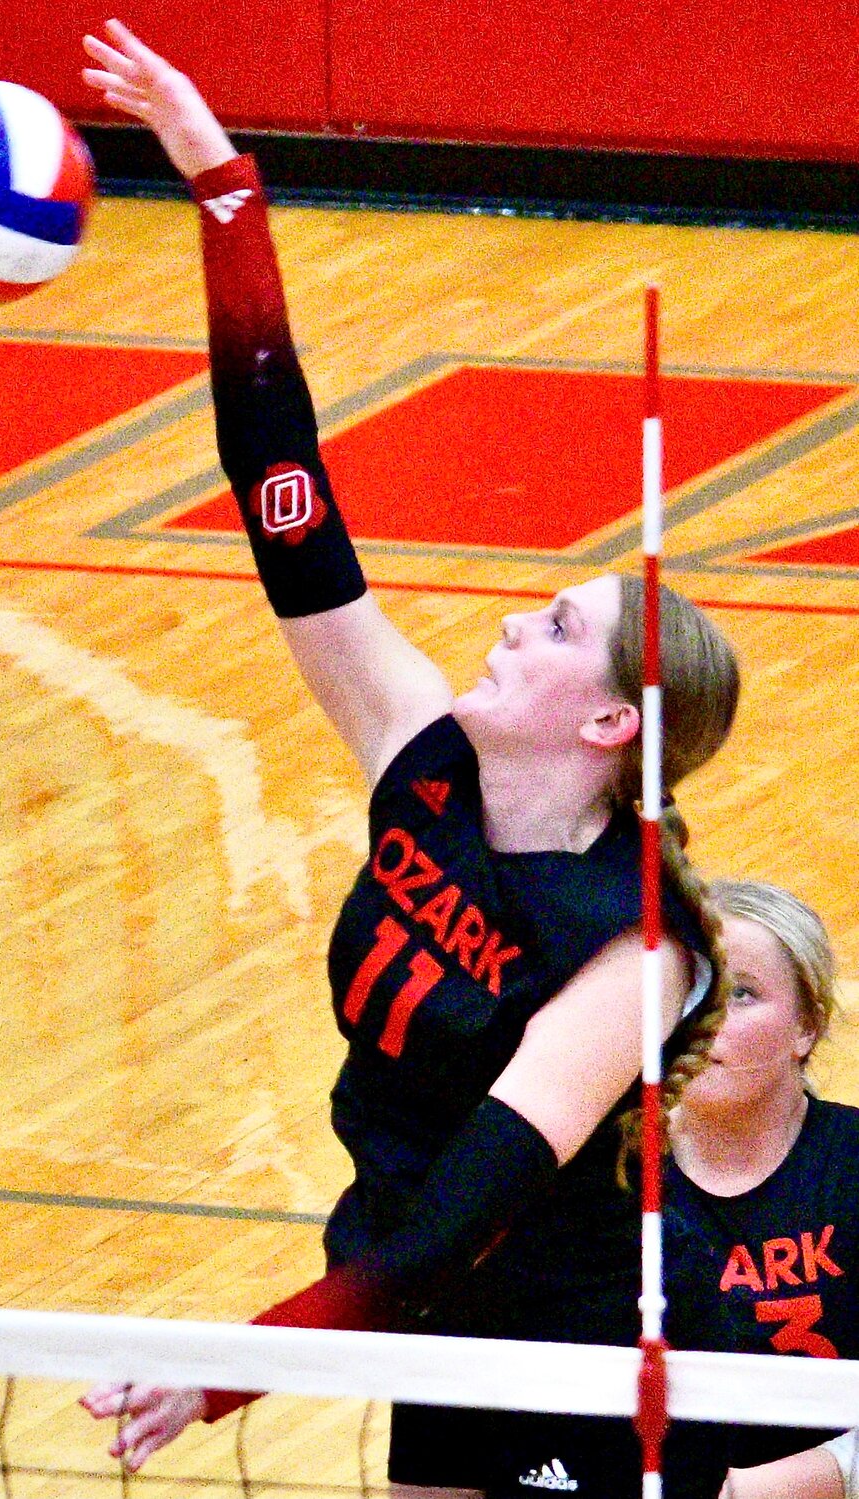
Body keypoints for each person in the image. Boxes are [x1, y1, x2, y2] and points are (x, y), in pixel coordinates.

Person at [79, 21, 741, 1496]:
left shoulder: (632, 950)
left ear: (609, 720)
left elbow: (470, 1205)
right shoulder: (418, 753)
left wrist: (233, 1363)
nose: (514, 619)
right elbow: (281, 491)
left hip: (577, 1341)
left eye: (558, 623)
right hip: (417, 1298)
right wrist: (222, 187)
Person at [665, 880, 859, 1499]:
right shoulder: (600, 1182)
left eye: (740, 994)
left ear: (808, 1026)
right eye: (686, 988)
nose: (702, 1018)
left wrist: (751, 1492)